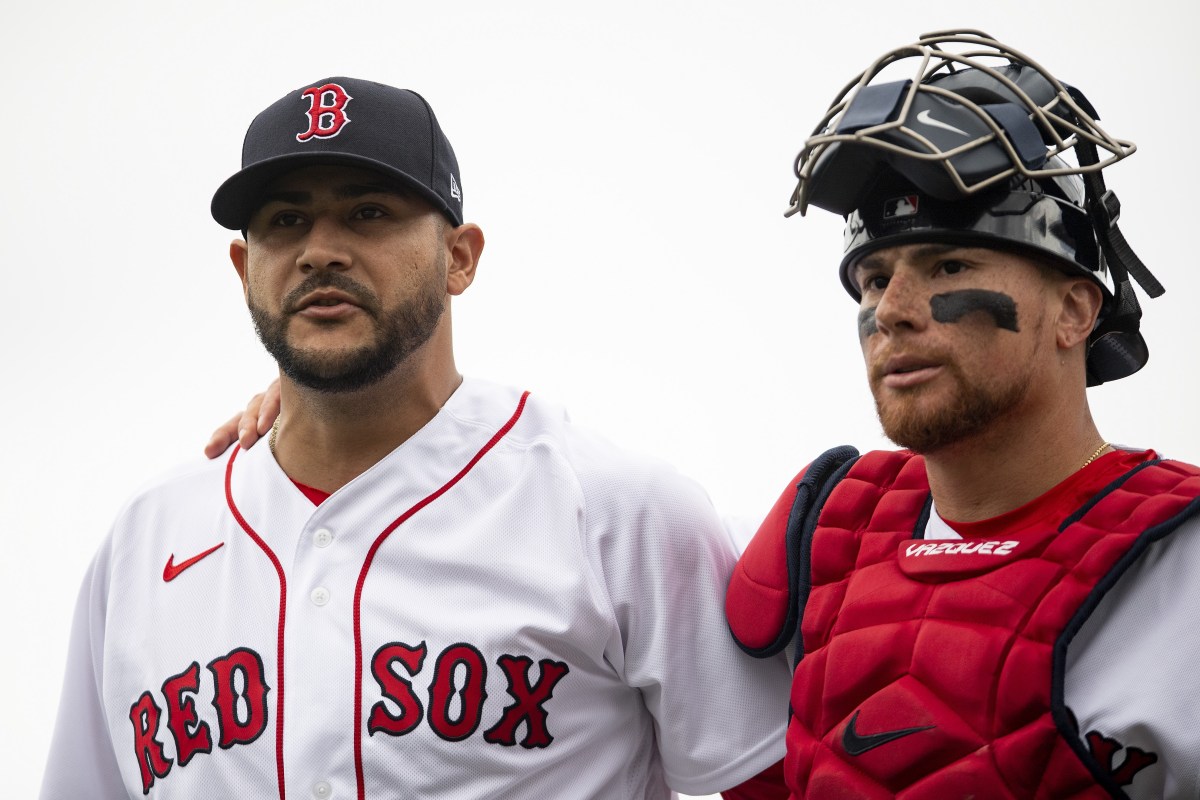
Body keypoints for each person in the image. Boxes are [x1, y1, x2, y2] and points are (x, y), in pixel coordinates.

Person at [41, 76, 791, 799]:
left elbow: (773, 781)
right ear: (245, 269)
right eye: (285, 221)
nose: (320, 251)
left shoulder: (615, 511)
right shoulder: (146, 541)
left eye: (367, 213)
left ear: (459, 258)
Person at [724, 30, 1200, 799]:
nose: (892, 311)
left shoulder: (1183, 562)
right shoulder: (819, 536)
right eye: (873, 279)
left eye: (948, 264)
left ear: (1075, 311)